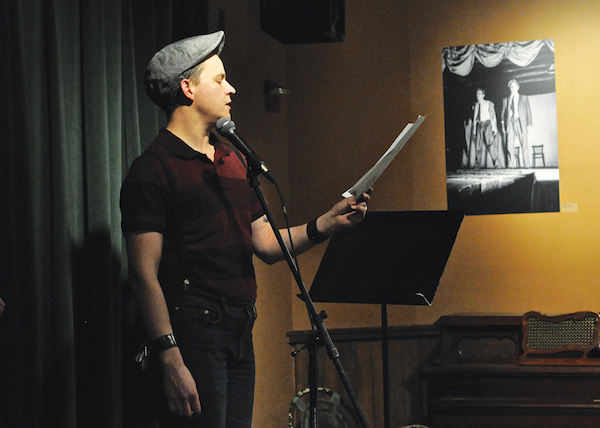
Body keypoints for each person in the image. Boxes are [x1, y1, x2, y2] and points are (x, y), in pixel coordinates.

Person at [120, 30, 370, 428]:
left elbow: (267, 244)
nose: (231, 89)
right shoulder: (153, 168)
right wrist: (170, 357)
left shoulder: (231, 158)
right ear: (187, 87)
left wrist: (327, 224)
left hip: (239, 327)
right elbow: (143, 273)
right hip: (194, 330)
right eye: (219, 80)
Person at [464, 88, 500, 169]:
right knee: (478, 146)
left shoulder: (489, 103)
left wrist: (494, 128)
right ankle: (477, 164)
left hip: (487, 124)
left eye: (479, 93)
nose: (477, 95)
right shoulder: (476, 105)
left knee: (490, 144)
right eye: (477, 94)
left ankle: (496, 162)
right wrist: (473, 130)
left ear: (483, 95)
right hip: (479, 125)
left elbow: (493, 117)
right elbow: (474, 119)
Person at [501, 79, 533, 168]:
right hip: (510, 122)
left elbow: (528, 111)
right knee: (509, 145)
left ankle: (527, 165)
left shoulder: (524, 98)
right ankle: (510, 166)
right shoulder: (506, 100)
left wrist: (529, 124)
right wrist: (503, 124)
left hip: (520, 122)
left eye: (514, 86)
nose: (512, 88)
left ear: (518, 87)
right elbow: (503, 112)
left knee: (524, 144)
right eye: (511, 86)